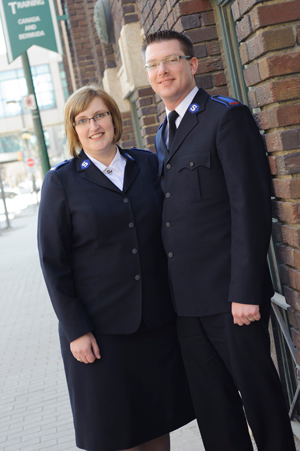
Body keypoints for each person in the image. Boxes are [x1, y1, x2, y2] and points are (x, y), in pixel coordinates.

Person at [142, 30, 296, 451]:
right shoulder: (163, 134)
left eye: (170, 60)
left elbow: (249, 208)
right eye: (153, 65)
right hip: (186, 306)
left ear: (192, 64)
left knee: (261, 402)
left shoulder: (226, 117)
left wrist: (245, 290)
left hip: (233, 300)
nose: (162, 71)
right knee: (214, 412)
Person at [37, 84, 194, 451]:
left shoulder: (149, 164)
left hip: (155, 325)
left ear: (114, 118)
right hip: (100, 333)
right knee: (115, 434)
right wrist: (77, 331)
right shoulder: (61, 181)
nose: (94, 125)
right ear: (74, 130)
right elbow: (53, 264)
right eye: (83, 120)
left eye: (100, 115)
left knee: (158, 425)